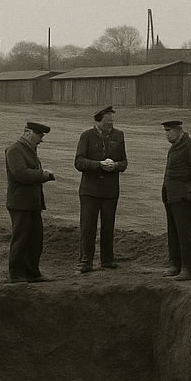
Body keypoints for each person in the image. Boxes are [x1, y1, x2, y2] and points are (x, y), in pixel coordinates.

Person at [73, 105, 128, 272]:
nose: (110, 124)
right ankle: (86, 261)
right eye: (107, 122)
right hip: (89, 190)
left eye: (112, 121)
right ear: (98, 121)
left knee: (108, 225)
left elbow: (124, 162)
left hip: (110, 190)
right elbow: (79, 162)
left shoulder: (119, 136)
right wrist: (98, 165)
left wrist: (116, 165)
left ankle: (107, 260)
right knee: (88, 225)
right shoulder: (86, 136)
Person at [5, 121, 57, 283]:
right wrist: (44, 175)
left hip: (32, 203)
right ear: (27, 132)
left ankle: (33, 272)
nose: (41, 140)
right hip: (20, 203)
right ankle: (17, 273)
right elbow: (21, 174)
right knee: (21, 239)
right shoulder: (15, 150)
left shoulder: (29, 150)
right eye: (39, 136)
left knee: (35, 239)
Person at [160, 119, 191, 281]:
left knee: (185, 234)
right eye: (165, 131)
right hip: (171, 198)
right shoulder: (175, 147)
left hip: (183, 199)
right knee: (173, 233)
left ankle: (189, 269)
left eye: (168, 131)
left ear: (178, 131)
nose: (166, 134)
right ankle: (175, 265)